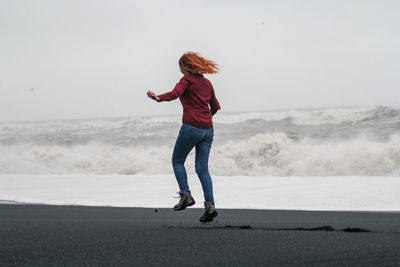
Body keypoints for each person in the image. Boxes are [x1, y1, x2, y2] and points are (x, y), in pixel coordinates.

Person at [147, 52, 221, 223]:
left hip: (191, 127)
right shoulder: (207, 83)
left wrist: (157, 98)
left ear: (186, 66)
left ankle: (185, 194)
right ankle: (210, 205)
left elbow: (174, 94)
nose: (179, 70)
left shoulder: (186, 80)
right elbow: (215, 107)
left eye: (180, 66)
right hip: (208, 130)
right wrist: (205, 117)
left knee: (177, 161)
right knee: (202, 169)